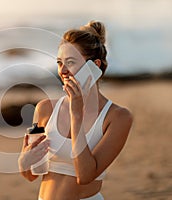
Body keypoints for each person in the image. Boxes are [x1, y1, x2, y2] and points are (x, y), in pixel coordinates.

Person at [18, 20, 133, 200]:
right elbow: (32, 174)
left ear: (94, 66)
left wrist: (76, 115)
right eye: (59, 62)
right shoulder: (45, 108)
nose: (62, 71)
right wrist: (24, 162)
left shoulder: (117, 117)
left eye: (70, 62)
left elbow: (85, 175)